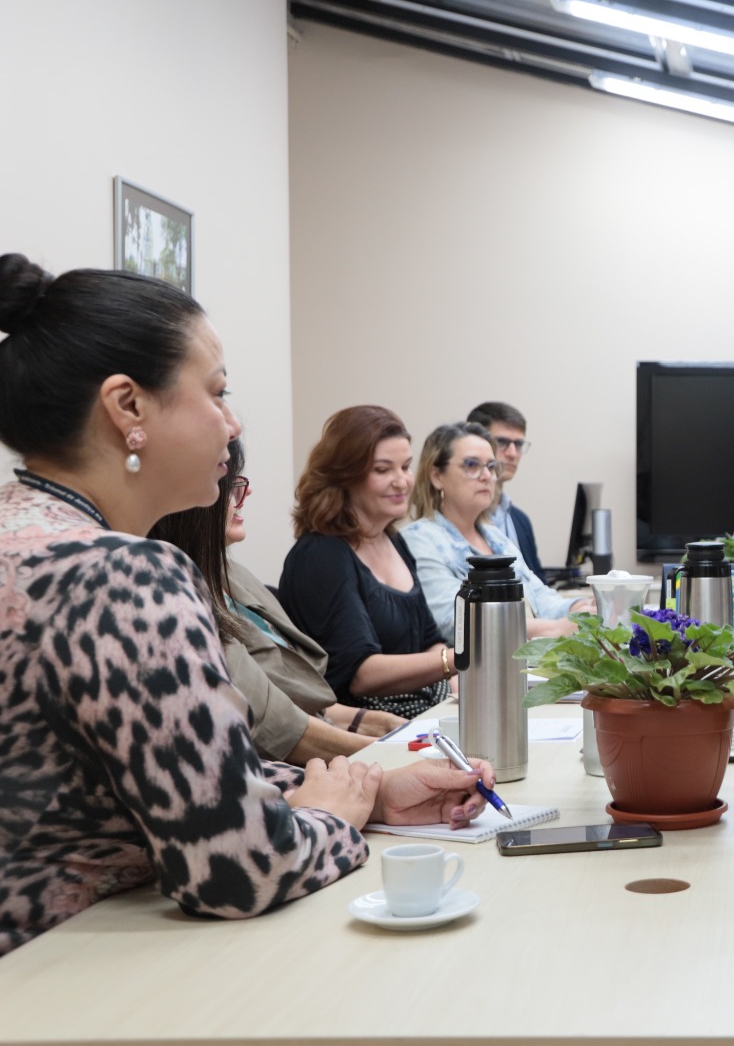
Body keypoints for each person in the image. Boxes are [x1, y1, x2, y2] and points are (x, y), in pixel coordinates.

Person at [0, 254, 493, 957]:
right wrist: (337, 820)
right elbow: (238, 871)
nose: (232, 426)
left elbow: (191, 781)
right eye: (218, 393)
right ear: (127, 407)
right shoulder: (124, 574)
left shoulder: (32, 542)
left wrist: (373, 791)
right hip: (64, 973)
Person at [148, 441, 404, 764]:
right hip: (275, 767)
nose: (246, 493)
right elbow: (276, 724)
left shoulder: (233, 574)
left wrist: (369, 722)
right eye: (230, 484)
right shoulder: (181, 595)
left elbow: (302, 696)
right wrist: (392, 755)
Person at [279, 406, 455, 719]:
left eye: (405, 467)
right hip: (369, 730)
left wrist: (454, 677)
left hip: (423, 711)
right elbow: (360, 676)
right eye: (383, 470)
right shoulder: (321, 555)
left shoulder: (394, 541)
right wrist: (456, 661)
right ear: (344, 475)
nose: (401, 481)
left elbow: (429, 640)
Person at [400, 421, 592, 642]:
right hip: (473, 671)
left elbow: (538, 596)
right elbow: (453, 622)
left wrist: (580, 608)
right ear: (437, 476)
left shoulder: (494, 536)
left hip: (525, 661)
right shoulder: (420, 539)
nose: (487, 476)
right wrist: (552, 628)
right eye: (472, 465)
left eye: (491, 467)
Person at [467, 401, 544, 580]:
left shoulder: (521, 520)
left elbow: (539, 583)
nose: (512, 453)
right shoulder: (460, 520)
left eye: (518, 444)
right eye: (502, 442)